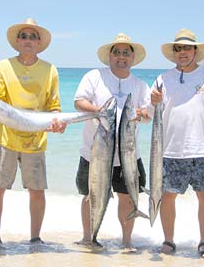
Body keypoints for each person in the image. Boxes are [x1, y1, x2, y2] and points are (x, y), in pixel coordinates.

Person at [149, 29, 204, 259]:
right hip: (171, 150)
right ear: (174, 52)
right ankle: (169, 241)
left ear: (195, 51)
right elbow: (151, 112)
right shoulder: (163, 79)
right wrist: (153, 101)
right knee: (168, 196)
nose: (183, 52)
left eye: (187, 48)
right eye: (178, 48)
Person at [0, 18, 66, 249]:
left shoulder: (50, 70)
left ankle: (35, 238)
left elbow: (54, 107)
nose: (28, 40)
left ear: (39, 43)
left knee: (37, 192)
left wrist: (57, 123)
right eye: (24, 36)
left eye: (33, 37)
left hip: (35, 140)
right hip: (3, 138)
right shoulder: (2, 66)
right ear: (17, 41)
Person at [74, 33, 151, 251]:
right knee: (90, 194)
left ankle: (126, 241)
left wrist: (140, 114)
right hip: (94, 152)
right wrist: (97, 111)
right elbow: (79, 101)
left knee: (126, 198)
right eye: (117, 52)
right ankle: (89, 237)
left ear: (132, 57)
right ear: (110, 55)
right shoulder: (94, 76)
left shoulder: (140, 85)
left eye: (126, 53)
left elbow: (148, 116)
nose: (121, 57)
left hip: (128, 155)